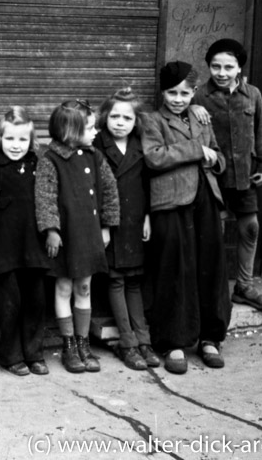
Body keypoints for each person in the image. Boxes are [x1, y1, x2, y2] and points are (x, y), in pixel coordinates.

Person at [141, 61, 231, 374]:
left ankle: (210, 338)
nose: (178, 98)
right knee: (174, 269)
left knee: (210, 266)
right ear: (162, 92)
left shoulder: (200, 116)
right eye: (172, 92)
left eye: (185, 92)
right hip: (171, 202)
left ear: (194, 92)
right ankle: (173, 341)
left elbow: (217, 155)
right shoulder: (151, 121)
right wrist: (196, 150)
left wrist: (214, 159)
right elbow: (153, 157)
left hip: (205, 198)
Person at [193, 38, 262, 312]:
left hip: (245, 175)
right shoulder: (197, 96)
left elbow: (261, 132)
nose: (221, 72)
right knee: (213, 232)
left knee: (250, 228)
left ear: (239, 68)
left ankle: (243, 287)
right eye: (215, 66)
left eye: (228, 67)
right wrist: (191, 107)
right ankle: (212, 289)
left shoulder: (252, 94)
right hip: (211, 177)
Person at [36, 100, 120, 373]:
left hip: (88, 235)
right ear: (71, 132)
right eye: (90, 128)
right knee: (63, 288)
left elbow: (109, 191)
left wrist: (106, 227)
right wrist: (51, 230)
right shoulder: (51, 160)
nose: (96, 132)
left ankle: (84, 343)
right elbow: (45, 198)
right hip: (64, 237)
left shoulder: (95, 156)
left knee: (84, 287)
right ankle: (68, 345)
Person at [0, 107, 51, 377]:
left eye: (22, 140)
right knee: (10, 304)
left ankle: (34, 353)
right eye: (9, 139)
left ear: (31, 141)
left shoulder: (39, 166)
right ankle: (10, 355)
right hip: (3, 248)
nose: (16, 146)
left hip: (34, 247)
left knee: (36, 302)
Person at [94, 89, 160, 371]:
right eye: (115, 116)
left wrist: (147, 216)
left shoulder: (140, 144)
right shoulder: (97, 146)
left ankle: (143, 340)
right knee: (116, 280)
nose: (120, 122)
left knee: (134, 280)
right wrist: (103, 226)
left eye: (127, 117)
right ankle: (128, 342)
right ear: (105, 118)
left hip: (134, 221)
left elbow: (147, 185)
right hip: (112, 223)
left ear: (136, 121)